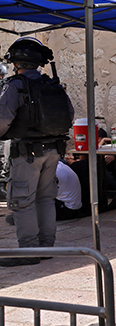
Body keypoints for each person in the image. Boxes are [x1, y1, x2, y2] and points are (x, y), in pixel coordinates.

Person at [0, 37, 75, 267]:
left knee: (22, 201)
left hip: (27, 152)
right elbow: (70, 115)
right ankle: (45, 247)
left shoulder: (15, 86)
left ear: (16, 61)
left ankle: (29, 250)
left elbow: (2, 119)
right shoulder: (51, 84)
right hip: (54, 150)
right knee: (45, 199)